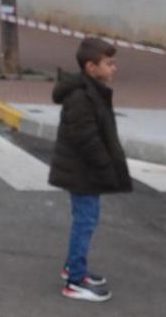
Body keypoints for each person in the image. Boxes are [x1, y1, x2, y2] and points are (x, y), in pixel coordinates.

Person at [47, 37, 132, 302]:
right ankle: (75, 281)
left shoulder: (92, 91)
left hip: (83, 170)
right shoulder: (82, 97)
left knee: (85, 220)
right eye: (109, 64)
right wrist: (105, 165)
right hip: (83, 172)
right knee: (85, 222)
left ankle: (74, 267)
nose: (113, 68)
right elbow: (87, 139)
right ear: (90, 67)